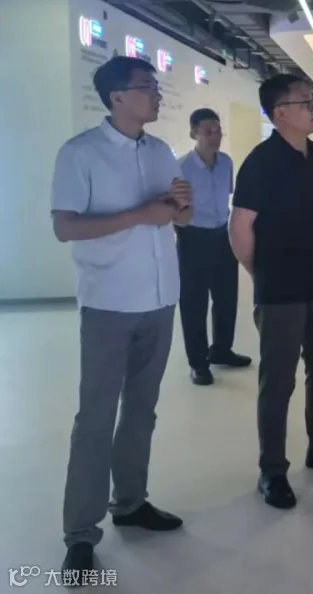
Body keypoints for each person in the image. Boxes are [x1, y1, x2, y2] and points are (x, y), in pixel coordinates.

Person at [50, 56, 191, 579]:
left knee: (141, 411)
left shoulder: (161, 151)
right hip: (108, 303)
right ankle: (80, 534)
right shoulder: (80, 153)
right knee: (95, 419)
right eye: (147, 87)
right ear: (117, 97)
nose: (157, 95)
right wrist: (140, 215)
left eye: (156, 86)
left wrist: (182, 207)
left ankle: (130, 502)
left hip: (160, 298)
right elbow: (65, 227)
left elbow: (181, 217)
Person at [229, 74, 313, 511]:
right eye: (305, 102)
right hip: (281, 293)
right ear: (280, 113)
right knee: (278, 383)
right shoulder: (260, 163)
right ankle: (272, 470)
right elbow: (240, 229)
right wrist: (262, 275)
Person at [176, 108, 252, 386]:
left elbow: (226, 196)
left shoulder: (226, 163)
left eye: (218, 130)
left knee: (226, 298)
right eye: (208, 130)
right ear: (193, 133)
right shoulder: (181, 167)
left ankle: (221, 349)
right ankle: (198, 363)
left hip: (222, 236)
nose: (215, 136)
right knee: (194, 303)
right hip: (192, 237)